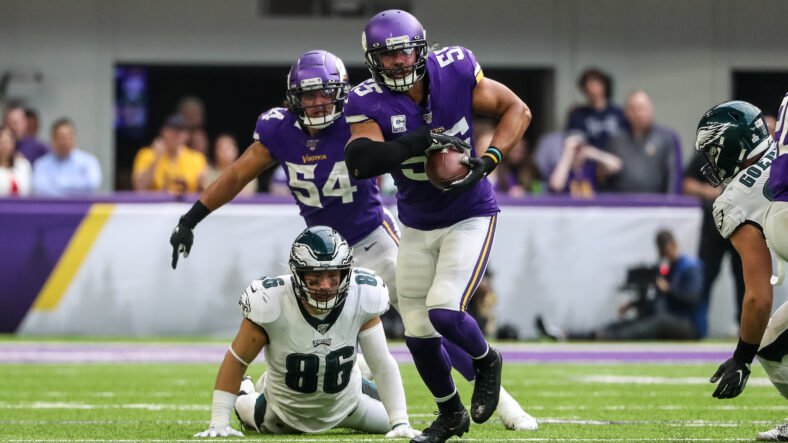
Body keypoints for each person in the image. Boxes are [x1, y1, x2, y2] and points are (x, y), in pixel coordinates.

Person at [169, 49, 536, 433]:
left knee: (429, 320)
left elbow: (398, 147)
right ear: (293, 97)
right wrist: (191, 218)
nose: (316, 102)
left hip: (375, 240)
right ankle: (269, 391)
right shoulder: (279, 130)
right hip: (320, 256)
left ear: (341, 93)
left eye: (325, 92)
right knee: (295, 332)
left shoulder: (360, 118)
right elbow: (237, 175)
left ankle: (504, 403)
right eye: (308, 94)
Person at [342, 10, 536, 442]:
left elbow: (516, 110)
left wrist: (489, 161)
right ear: (372, 60)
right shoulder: (366, 99)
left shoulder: (455, 69)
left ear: (420, 48)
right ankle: (451, 414)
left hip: (469, 213)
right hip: (416, 221)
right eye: (386, 56)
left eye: (404, 52)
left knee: (444, 309)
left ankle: (486, 361)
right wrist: (417, 141)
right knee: (415, 325)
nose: (397, 62)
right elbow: (361, 162)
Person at [193, 226, 419, 438]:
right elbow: (237, 360)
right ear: (298, 274)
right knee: (245, 409)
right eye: (315, 277)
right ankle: (248, 388)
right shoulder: (270, 302)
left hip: (349, 403)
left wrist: (400, 421)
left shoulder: (362, 294)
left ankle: (351, 368)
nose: (325, 285)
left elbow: (381, 363)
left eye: (333, 276)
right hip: (283, 413)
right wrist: (219, 421)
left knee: (391, 411)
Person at [691, 99, 787, 441]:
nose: (713, 160)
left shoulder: (734, 200)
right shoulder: (783, 154)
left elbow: (759, 298)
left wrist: (741, 358)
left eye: (713, 150)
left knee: (770, 346)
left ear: (732, 144)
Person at [535, 229, 703, 341]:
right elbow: (659, 298)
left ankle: (604, 336)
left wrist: (668, 289)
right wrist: (632, 304)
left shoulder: (689, 268)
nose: (664, 256)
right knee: (632, 321)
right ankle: (571, 334)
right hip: (669, 318)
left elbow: (691, 300)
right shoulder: (667, 269)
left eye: (666, 251)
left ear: (675, 245)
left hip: (688, 325)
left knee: (654, 322)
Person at [683, 153, 744, 333]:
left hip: (740, 224)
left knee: (744, 279)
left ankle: (748, 332)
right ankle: (698, 329)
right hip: (713, 226)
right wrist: (710, 191)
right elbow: (686, 183)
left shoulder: (744, 154)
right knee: (705, 277)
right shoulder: (704, 155)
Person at [606, 91, 683, 194]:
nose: (639, 113)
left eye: (643, 108)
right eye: (634, 109)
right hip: (623, 205)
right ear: (626, 113)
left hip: (658, 204)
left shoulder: (667, 138)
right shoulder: (616, 140)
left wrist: (671, 205)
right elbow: (605, 179)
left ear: (651, 108)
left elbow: (674, 175)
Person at [131, 114, 207, 193]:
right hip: (155, 204)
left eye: (180, 131)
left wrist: (202, 184)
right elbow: (139, 187)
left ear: (187, 135)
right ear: (163, 132)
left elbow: (204, 193)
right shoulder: (146, 154)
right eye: (172, 131)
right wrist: (156, 159)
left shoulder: (197, 158)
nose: (176, 135)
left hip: (187, 205)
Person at [32, 118, 102, 196]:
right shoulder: (41, 164)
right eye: (61, 138)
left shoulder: (88, 161)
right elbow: (40, 188)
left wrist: (58, 184)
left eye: (69, 137)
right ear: (53, 139)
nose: (65, 142)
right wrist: (74, 186)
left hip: (81, 207)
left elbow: (92, 184)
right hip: (51, 207)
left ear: (74, 138)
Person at [565, 68, 627, 152]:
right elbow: (574, 144)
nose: (593, 89)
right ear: (584, 89)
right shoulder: (577, 115)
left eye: (596, 84)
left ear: (604, 86)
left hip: (617, 160)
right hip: (589, 161)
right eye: (589, 85)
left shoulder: (619, 113)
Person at [547, 132, 621, 196]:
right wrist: (568, 153)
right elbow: (556, 186)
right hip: (567, 210)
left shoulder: (591, 169)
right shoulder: (559, 170)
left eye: (579, 149)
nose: (576, 152)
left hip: (590, 211)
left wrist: (593, 153)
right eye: (574, 149)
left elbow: (616, 165)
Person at [0, 127, 32, 196]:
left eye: (7, 142)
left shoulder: (23, 165)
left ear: (13, 144)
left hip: (22, 206)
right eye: (1, 143)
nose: (4, 146)